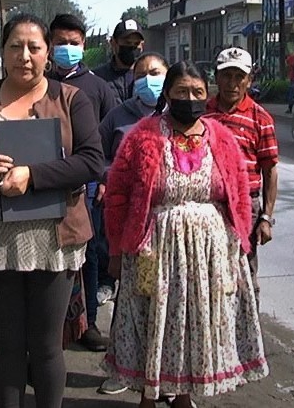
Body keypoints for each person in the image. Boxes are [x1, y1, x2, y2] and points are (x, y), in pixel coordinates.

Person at [0, 13, 103, 408]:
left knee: (46, 347)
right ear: (3, 50)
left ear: (47, 53)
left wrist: (33, 175)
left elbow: (92, 160)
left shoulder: (69, 99)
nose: (23, 55)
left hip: (54, 242)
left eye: (34, 47)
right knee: (7, 347)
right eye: (14, 46)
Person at [103, 61, 268, 407]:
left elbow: (237, 191)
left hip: (208, 253)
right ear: (167, 94)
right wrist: (117, 250)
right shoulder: (143, 136)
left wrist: (239, 246)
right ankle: (148, 395)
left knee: (197, 322)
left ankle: (183, 395)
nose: (190, 99)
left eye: (197, 92)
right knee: (153, 320)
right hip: (154, 249)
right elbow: (117, 195)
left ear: (206, 94)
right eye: (181, 92)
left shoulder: (220, 137)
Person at [96, 51, 168, 397]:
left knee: (168, 306)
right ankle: (122, 369)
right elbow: (95, 156)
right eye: (143, 74)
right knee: (129, 301)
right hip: (130, 224)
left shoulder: (178, 118)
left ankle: (168, 379)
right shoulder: (116, 117)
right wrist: (113, 178)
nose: (149, 79)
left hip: (170, 230)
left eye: (156, 72)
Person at [47, 13, 118, 352]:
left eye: (73, 44)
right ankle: (53, 326)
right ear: (50, 45)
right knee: (51, 252)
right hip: (44, 180)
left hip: (88, 184)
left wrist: (104, 180)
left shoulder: (98, 88)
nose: (67, 49)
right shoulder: (39, 82)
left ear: (83, 46)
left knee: (87, 252)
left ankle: (88, 323)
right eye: (60, 43)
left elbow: (111, 140)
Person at [206, 47, 279, 308]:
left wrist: (266, 218)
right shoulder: (202, 113)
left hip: (245, 206)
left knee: (244, 274)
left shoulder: (261, 119)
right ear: (216, 77)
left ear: (249, 80)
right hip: (208, 206)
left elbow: (270, 170)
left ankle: (248, 342)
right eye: (226, 75)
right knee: (208, 274)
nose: (232, 83)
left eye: (239, 76)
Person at [93, 19, 145, 103]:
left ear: (142, 46)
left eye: (136, 44)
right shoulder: (98, 77)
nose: (131, 47)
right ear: (113, 42)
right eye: (127, 43)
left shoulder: (147, 76)